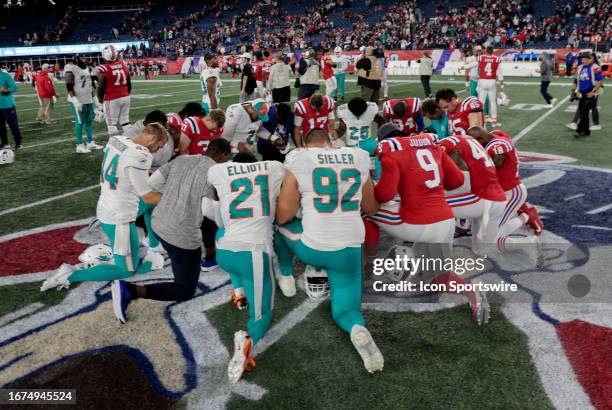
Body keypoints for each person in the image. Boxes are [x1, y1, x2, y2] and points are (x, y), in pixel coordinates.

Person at [274, 128, 384, 374]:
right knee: (347, 309)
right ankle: (356, 328)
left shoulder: (298, 159)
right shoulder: (357, 156)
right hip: (351, 249)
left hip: (315, 247)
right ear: (331, 143)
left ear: (306, 144)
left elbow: (283, 215)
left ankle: (286, 277)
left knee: (278, 226)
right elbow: (371, 207)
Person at [110, 139, 232, 323]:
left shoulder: (182, 159)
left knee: (183, 255)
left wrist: (176, 197)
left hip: (159, 223)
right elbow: (208, 211)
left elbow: (153, 182)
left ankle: (202, 258)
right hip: (180, 235)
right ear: (223, 156)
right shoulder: (215, 172)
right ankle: (131, 290)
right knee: (185, 289)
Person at [40, 124, 170, 296]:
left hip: (107, 204)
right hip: (120, 217)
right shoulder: (141, 155)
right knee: (126, 270)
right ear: (152, 138)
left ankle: (153, 243)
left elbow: (124, 170)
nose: (157, 151)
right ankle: (70, 275)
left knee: (152, 204)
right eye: (158, 146)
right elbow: (147, 196)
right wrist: (176, 198)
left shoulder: (116, 140)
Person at [201, 152, 285, 383]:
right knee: (262, 315)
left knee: (222, 229)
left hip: (226, 252)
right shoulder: (274, 168)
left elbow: (211, 211)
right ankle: (247, 340)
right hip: (254, 252)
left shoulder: (218, 172)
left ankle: (239, 292)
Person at [469, 126, 544, 266]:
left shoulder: (497, 146)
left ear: (481, 139)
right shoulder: (496, 135)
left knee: (488, 241)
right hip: (502, 192)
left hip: (510, 193)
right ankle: (526, 215)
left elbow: (497, 162)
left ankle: (525, 243)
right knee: (481, 235)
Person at [65, 54, 103, 154]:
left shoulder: (87, 69)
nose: (84, 60)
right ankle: (79, 145)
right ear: (76, 59)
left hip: (88, 99)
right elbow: (69, 86)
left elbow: (90, 86)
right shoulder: (71, 69)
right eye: (82, 58)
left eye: (84, 58)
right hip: (78, 100)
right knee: (80, 122)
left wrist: (95, 99)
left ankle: (90, 142)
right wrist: (75, 99)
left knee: (89, 121)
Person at [97, 45, 132, 136]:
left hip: (112, 98)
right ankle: (131, 142)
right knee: (125, 121)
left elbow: (100, 86)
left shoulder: (104, 68)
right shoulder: (123, 66)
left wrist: (100, 101)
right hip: (125, 96)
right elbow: (129, 82)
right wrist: (127, 93)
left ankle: (114, 145)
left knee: (111, 124)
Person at [566, 52, 603, 133]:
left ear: (590, 59)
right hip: (582, 93)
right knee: (584, 113)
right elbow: (575, 80)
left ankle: (579, 130)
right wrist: (573, 91)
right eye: (582, 59)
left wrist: (593, 92)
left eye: (585, 59)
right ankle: (586, 131)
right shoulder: (579, 67)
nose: (583, 61)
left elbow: (599, 81)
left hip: (590, 92)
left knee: (584, 112)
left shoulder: (596, 68)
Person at [477, 46, 504, 127]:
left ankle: (480, 122)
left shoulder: (480, 57)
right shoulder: (497, 59)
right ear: (493, 51)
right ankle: (494, 122)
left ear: (486, 51)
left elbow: (474, 65)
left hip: (482, 81)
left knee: (481, 102)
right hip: (492, 81)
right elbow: (500, 74)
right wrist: (501, 87)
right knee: (493, 102)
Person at [0, 64, 22, 149]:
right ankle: (5, 143)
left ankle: (18, 142)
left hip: (7, 105)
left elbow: (14, 87)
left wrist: (6, 90)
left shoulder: (5, 75)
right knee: (0, 126)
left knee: (13, 125)